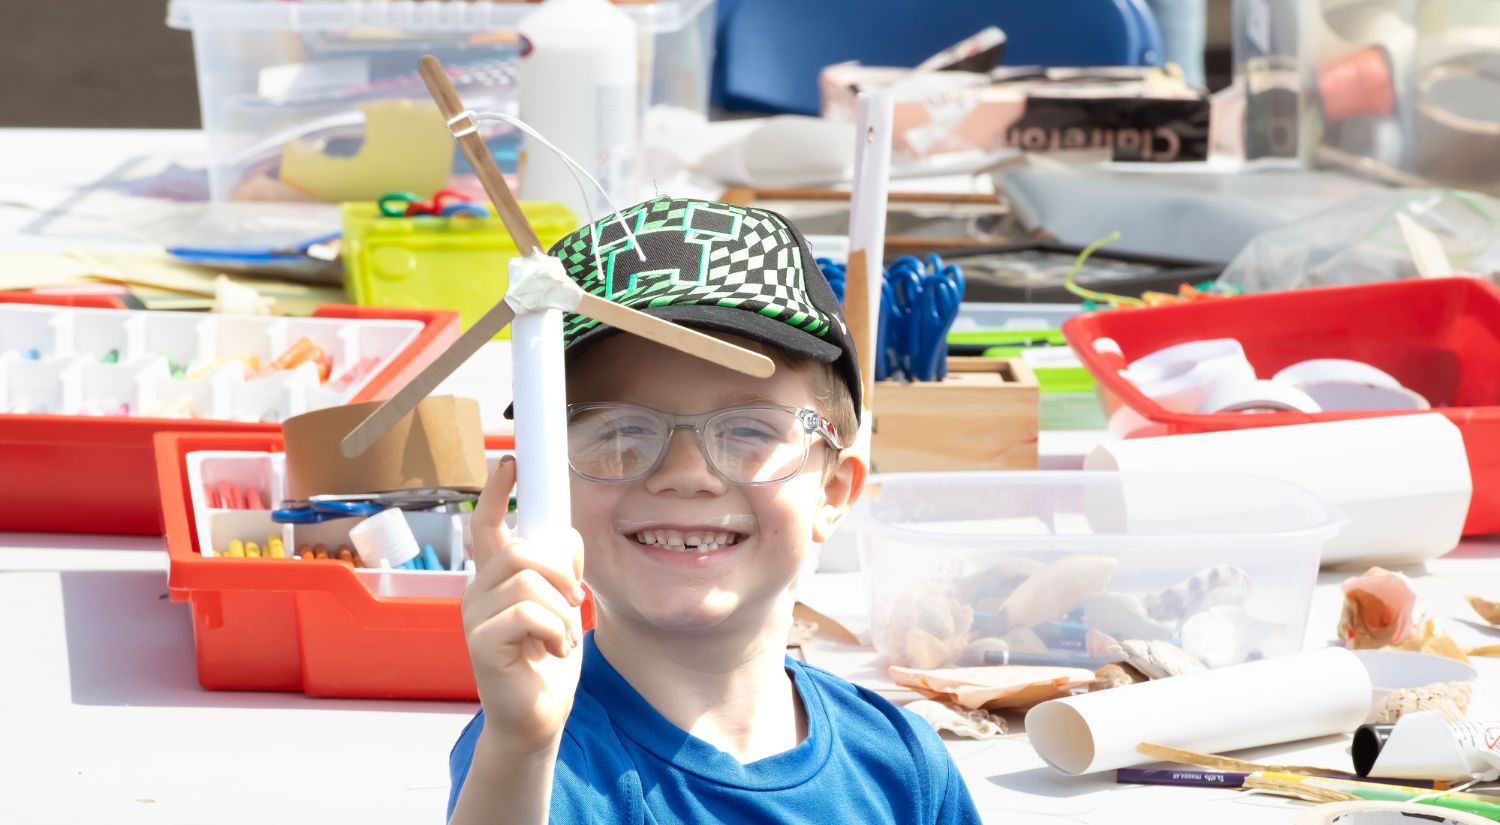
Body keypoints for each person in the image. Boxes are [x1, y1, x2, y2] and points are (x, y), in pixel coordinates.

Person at [446, 196, 983, 824]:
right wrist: (519, 748)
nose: (686, 475)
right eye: (622, 434)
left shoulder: (902, 765)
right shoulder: (540, 750)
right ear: (540, 487)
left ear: (832, 493)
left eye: (750, 431)